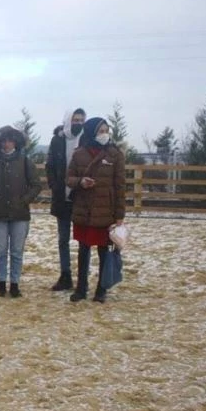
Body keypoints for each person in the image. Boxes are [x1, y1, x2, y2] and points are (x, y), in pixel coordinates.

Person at [66, 117, 126, 303]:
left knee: (104, 251)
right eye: (100, 131)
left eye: (106, 130)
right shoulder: (79, 154)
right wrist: (81, 182)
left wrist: (119, 215)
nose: (104, 134)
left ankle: (102, 289)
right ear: (92, 132)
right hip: (84, 210)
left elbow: (120, 186)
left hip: (105, 211)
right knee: (83, 250)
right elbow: (69, 178)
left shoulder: (115, 155)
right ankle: (81, 288)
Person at [0, 126, 42, 298]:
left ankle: (15, 284)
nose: (7, 143)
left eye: (10, 139)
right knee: (0, 250)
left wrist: (25, 200)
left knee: (16, 251)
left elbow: (36, 185)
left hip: (20, 214)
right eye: (4, 140)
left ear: (16, 141)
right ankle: (1, 283)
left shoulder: (24, 161)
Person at [45, 108, 86, 292]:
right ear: (68, 120)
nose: (78, 123)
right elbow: (50, 165)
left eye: (81, 120)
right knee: (63, 239)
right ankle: (65, 274)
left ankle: (82, 278)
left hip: (82, 197)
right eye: (75, 119)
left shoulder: (86, 139)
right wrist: (55, 186)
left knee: (83, 239)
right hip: (62, 197)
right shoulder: (58, 140)